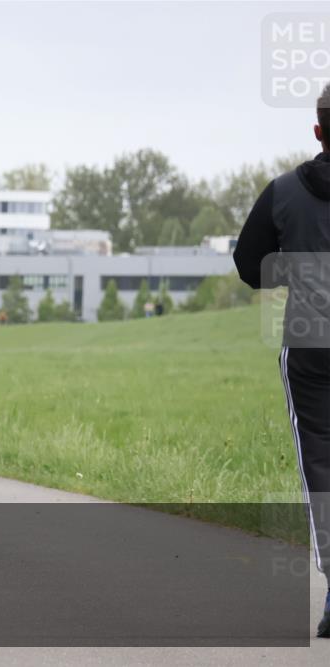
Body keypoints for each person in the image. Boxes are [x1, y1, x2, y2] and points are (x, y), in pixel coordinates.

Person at [233, 83, 330, 638]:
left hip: (310, 345)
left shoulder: (284, 191)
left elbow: (249, 265)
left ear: (318, 129)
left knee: (319, 463)